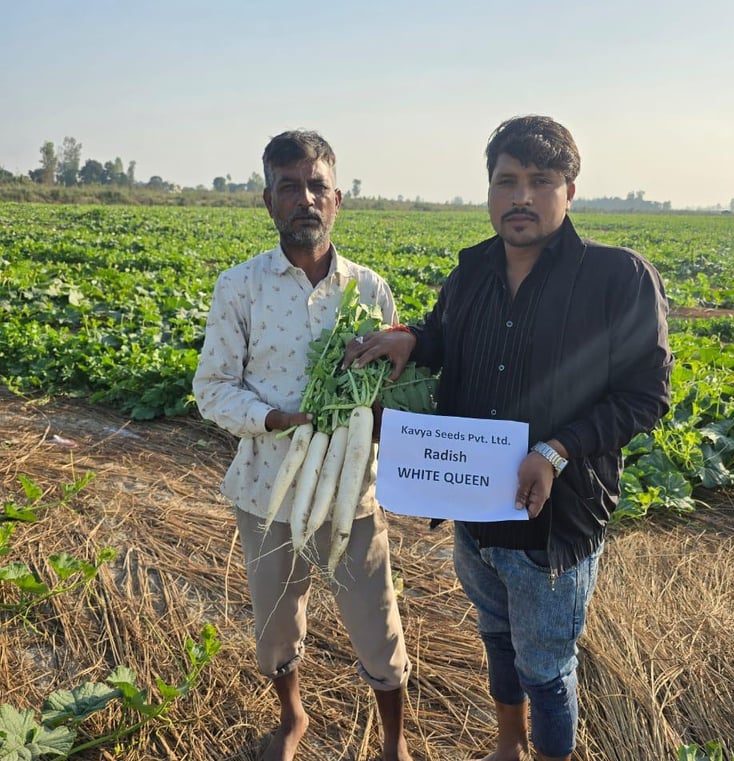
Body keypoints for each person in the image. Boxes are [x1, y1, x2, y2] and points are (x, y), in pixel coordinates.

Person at [343, 115, 672, 761]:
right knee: (495, 638)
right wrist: (414, 338)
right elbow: (446, 336)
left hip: (553, 521)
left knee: (547, 668)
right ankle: (506, 747)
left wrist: (555, 450)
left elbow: (645, 395)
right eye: (507, 180)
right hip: (475, 509)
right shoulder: (471, 272)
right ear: (490, 190)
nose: (521, 196)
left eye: (540, 181)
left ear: (569, 191)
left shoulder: (618, 278)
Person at [193, 130, 413, 761]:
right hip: (268, 486)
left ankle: (392, 742)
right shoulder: (240, 287)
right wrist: (276, 418)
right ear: (269, 201)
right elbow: (212, 389)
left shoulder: (368, 289)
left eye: (317, 186)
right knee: (275, 624)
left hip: (352, 490)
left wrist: (372, 408)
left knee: (377, 624)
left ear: (337, 198)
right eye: (289, 187)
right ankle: (293, 718)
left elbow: (388, 383)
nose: (305, 199)